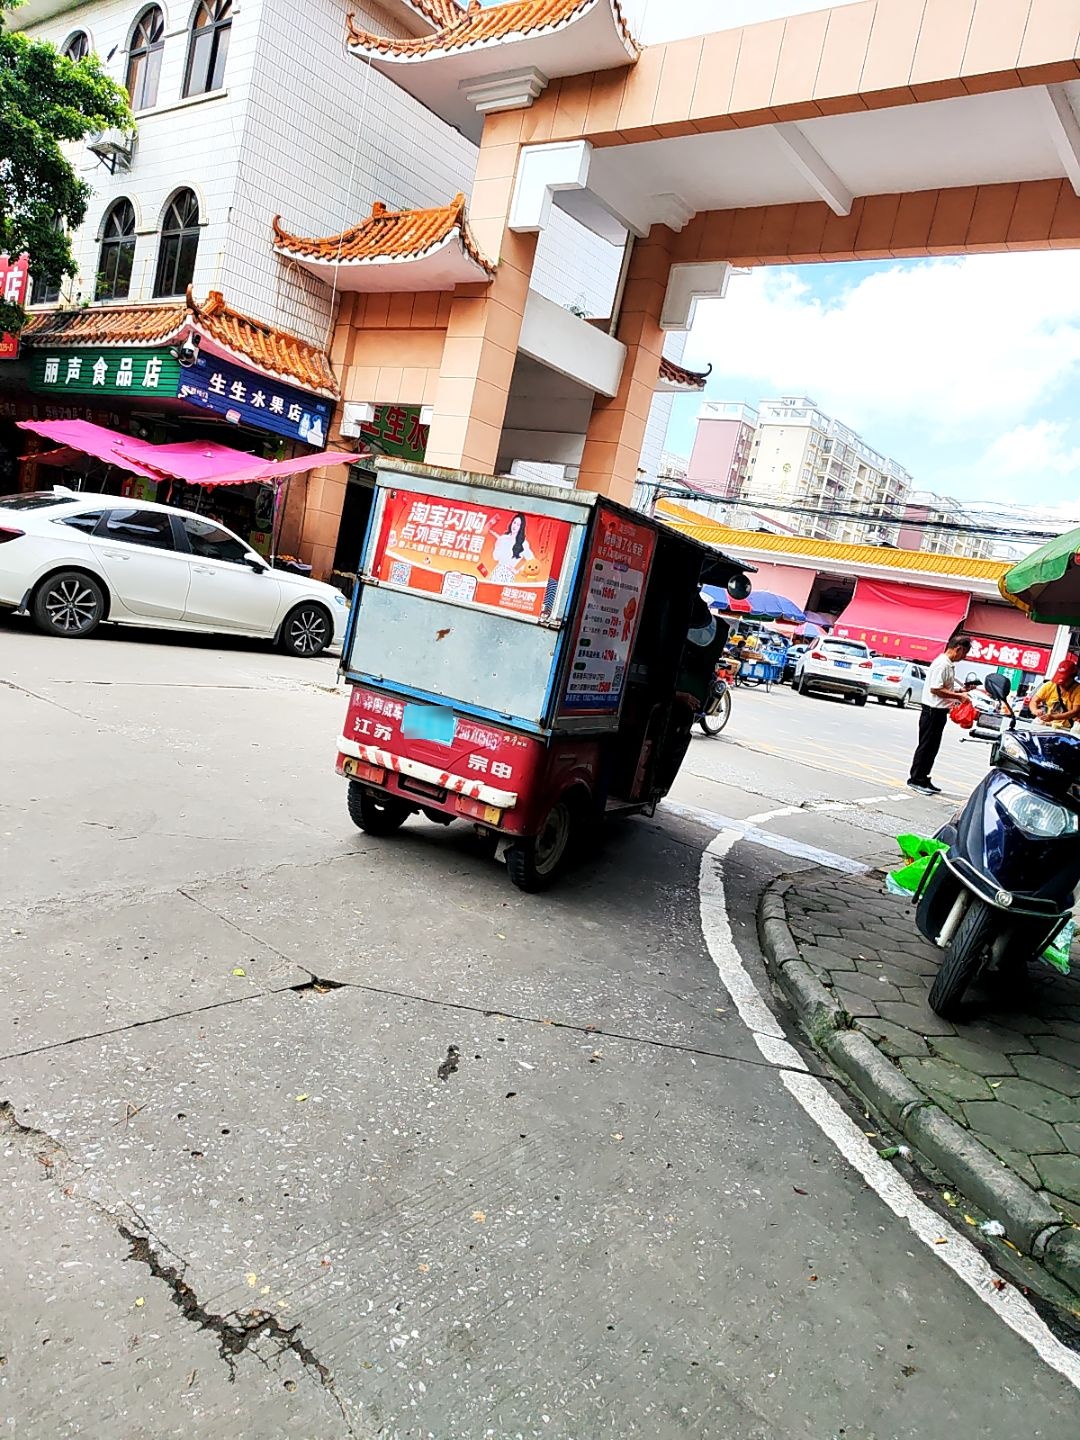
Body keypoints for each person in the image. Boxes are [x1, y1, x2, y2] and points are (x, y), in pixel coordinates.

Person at [907, 635, 972, 795]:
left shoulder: (948, 665)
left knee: (932, 748)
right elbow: (935, 689)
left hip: (939, 712)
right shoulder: (942, 664)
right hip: (932, 712)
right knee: (926, 747)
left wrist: (960, 691)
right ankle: (916, 779)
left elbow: (943, 688)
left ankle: (923, 777)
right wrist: (959, 696)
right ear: (958, 649)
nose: (964, 657)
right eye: (964, 653)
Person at [1031, 656, 1080, 728]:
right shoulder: (1049, 685)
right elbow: (1034, 701)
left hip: (1068, 728)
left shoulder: (1078, 690)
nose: (1061, 684)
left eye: (1065, 681)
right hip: (1049, 725)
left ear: (1072, 678)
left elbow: (1075, 711)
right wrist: (1035, 710)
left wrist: (1054, 717)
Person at [491, 513, 533, 583]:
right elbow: (495, 557)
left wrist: (517, 571)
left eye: (518, 525)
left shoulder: (523, 543)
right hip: (497, 572)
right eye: (514, 522)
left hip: (508, 575)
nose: (515, 526)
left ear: (521, 527)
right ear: (511, 523)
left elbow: (532, 561)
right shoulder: (503, 538)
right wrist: (497, 544)